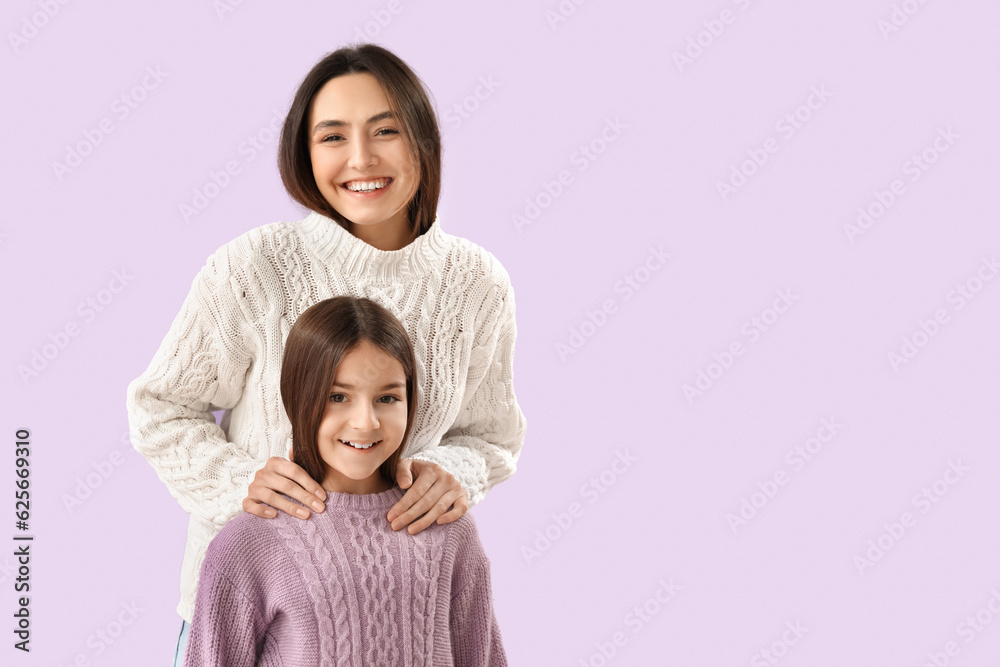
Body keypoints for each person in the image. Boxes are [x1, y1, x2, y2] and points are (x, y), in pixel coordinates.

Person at [125, 43, 525, 664]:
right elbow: (161, 409)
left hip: (404, 616)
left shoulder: (477, 284)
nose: (360, 159)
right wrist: (242, 485)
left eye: (385, 131)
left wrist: (457, 475)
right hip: (251, 618)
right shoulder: (252, 267)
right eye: (332, 137)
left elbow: (490, 436)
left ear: (422, 139)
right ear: (303, 154)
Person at [183, 296, 507, 666]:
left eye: (387, 397)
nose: (365, 422)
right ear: (297, 397)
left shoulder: (448, 529)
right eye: (338, 396)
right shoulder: (248, 543)